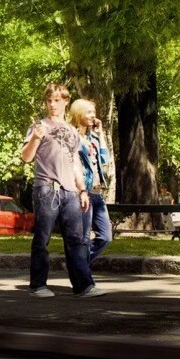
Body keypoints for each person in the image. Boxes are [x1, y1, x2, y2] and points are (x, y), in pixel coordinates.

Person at [19, 84, 102, 298]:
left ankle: (83, 286)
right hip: (47, 189)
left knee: (76, 240)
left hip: (70, 191)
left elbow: (75, 161)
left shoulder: (72, 131)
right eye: (49, 100)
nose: (52, 104)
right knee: (42, 238)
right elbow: (26, 157)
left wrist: (82, 189)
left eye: (57, 100)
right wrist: (36, 138)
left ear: (66, 101)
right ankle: (38, 286)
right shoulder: (39, 126)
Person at [68, 98, 112, 263]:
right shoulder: (72, 137)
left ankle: (78, 265)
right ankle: (81, 271)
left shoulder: (93, 137)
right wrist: (80, 190)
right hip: (83, 193)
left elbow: (105, 159)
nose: (93, 115)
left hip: (97, 192)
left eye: (94, 112)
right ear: (78, 113)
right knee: (84, 238)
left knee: (106, 237)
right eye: (89, 112)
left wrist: (100, 134)